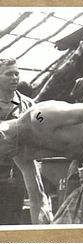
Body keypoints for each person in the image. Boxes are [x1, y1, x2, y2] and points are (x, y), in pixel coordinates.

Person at [0, 58, 34, 225]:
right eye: (9, 74)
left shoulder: (29, 105)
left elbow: (41, 123)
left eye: (17, 73)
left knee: (12, 220)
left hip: (16, 173)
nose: (15, 77)